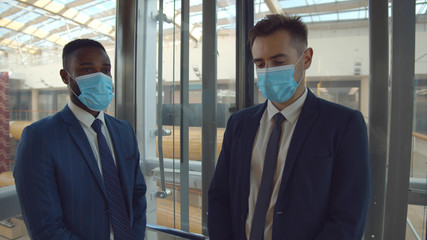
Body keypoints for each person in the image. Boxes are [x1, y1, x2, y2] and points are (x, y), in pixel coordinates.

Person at [208, 14, 370, 240]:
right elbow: (220, 197)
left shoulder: (343, 125)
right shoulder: (239, 124)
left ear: (306, 59)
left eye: (278, 61)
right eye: (260, 63)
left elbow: (348, 219)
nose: (267, 71)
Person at [13, 39, 147, 240]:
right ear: (65, 77)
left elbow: (137, 196)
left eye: (105, 70)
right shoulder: (40, 138)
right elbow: (46, 228)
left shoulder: (124, 130)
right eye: (86, 70)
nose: (100, 77)